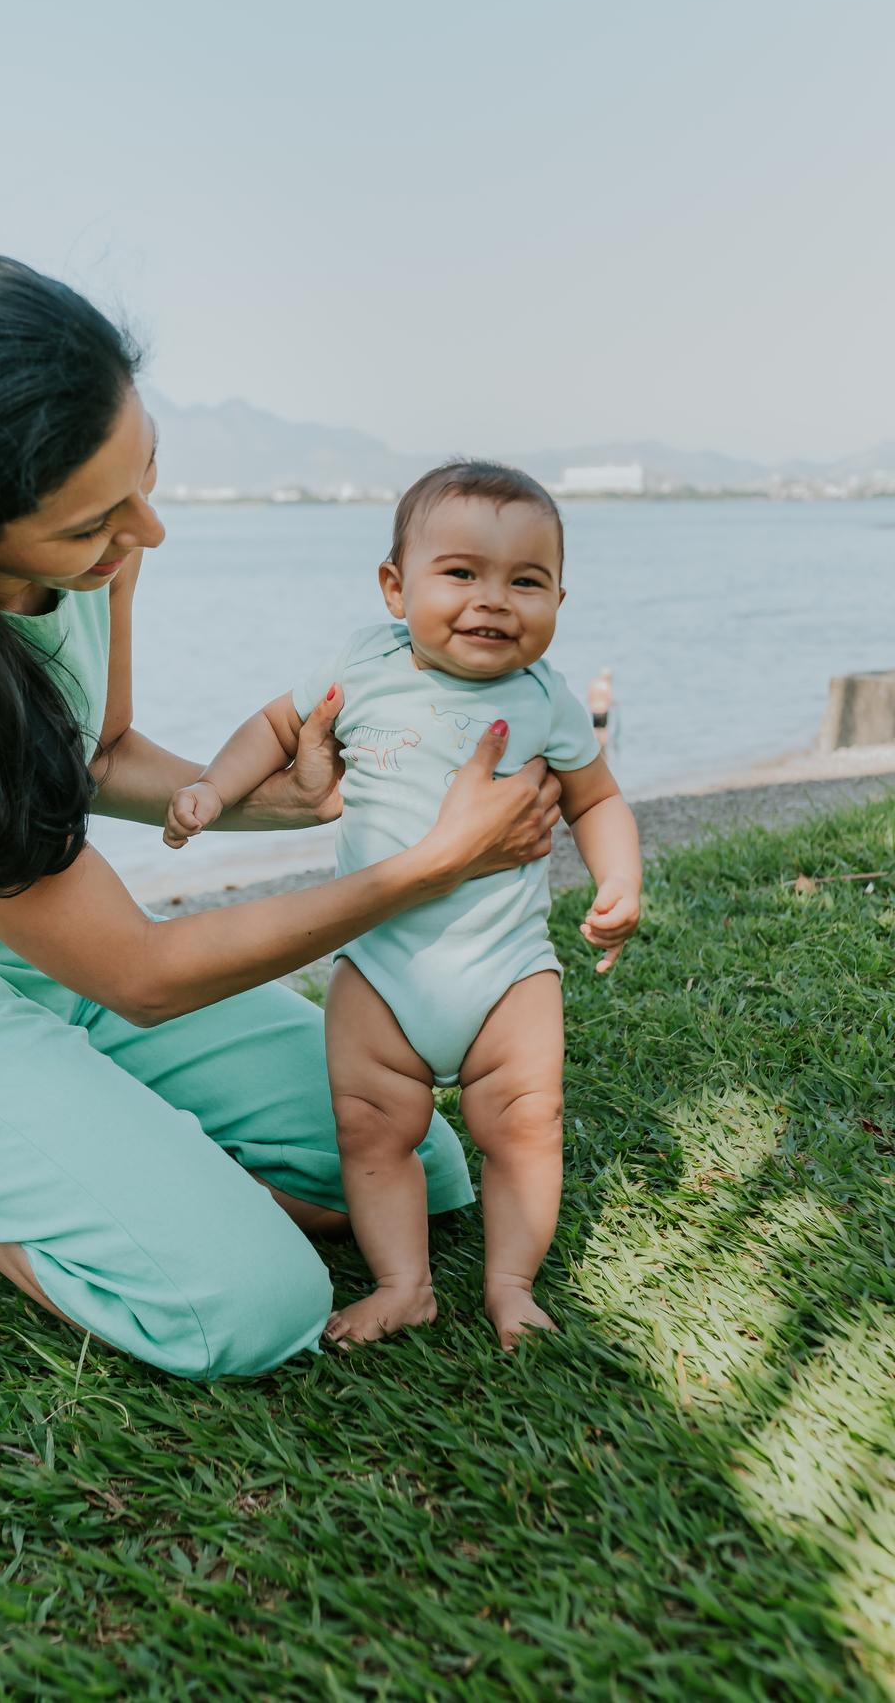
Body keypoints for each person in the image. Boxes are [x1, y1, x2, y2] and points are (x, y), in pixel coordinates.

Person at [0, 257, 564, 1380]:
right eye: (97, 523)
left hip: (50, 957)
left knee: (418, 1165)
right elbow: (138, 972)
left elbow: (99, 754)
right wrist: (428, 868)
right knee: (251, 1308)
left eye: (148, 472)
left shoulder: (95, 550)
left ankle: (59, 1132)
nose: (149, 533)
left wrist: (272, 805)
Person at [162, 463, 642, 1349]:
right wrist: (210, 790)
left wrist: (620, 881)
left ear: (560, 598)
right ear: (396, 586)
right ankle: (403, 1283)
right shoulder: (361, 666)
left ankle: (511, 1286)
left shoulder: (546, 700)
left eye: (526, 581)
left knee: (525, 1125)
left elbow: (598, 798)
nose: (494, 600)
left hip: (507, 970)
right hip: (379, 967)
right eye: (462, 573)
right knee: (370, 1128)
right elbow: (273, 727)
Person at [588, 666, 614, 753]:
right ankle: (604, 749)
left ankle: (594, 748)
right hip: (602, 709)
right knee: (603, 730)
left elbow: (589, 696)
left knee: (595, 729)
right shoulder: (606, 684)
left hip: (594, 709)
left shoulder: (594, 683)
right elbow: (608, 698)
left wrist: (592, 706)